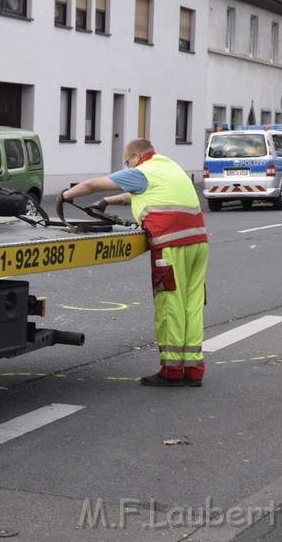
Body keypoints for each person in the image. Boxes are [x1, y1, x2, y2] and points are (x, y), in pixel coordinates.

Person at [60, 139, 209, 387]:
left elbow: (91, 185)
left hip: (171, 246)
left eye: (126, 161)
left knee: (170, 305)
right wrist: (108, 202)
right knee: (192, 306)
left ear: (137, 156)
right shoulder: (168, 166)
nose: (127, 165)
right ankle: (194, 371)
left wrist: (65, 196)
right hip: (198, 243)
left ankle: (171, 372)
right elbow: (140, 191)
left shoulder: (142, 171)